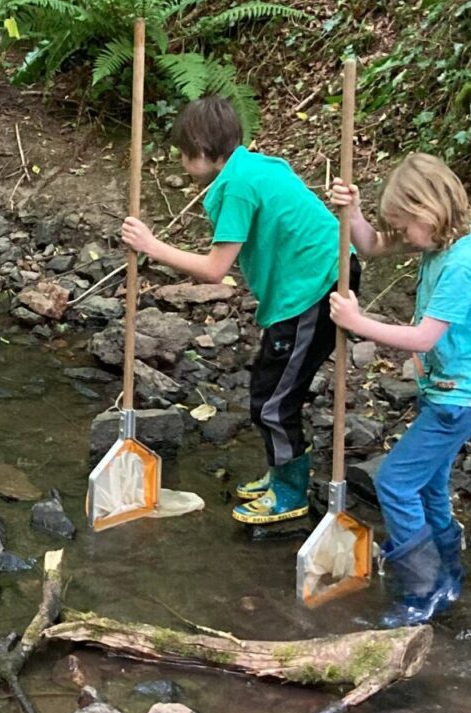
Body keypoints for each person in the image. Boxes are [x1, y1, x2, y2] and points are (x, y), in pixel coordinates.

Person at [121, 96, 355, 524]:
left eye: (183, 151)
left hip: (319, 286)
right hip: (308, 284)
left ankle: (290, 492)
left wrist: (150, 246)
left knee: (273, 400)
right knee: (270, 382)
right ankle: (281, 473)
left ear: (204, 151)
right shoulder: (253, 168)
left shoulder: (241, 185)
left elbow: (215, 270)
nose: (178, 158)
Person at [326, 152, 471, 626]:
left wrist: (359, 322)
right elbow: (369, 246)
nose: (402, 237)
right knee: (429, 484)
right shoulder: (443, 236)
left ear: (429, 213)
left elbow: (425, 337)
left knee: (396, 482)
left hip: (460, 396)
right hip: (452, 387)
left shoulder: (463, 262)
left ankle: (422, 589)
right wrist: (354, 211)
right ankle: (448, 573)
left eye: (405, 227)